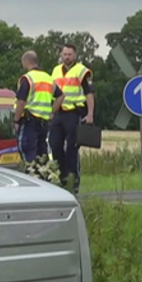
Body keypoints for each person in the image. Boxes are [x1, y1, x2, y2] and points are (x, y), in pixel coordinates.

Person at [49, 43, 95, 193]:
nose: (66, 57)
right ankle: (62, 179)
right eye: (64, 54)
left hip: (74, 113)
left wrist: (90, 114)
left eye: (69, 54)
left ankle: (73, 182)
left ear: (75, 55)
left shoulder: (81, 71)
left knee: (71, 149)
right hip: (58, 114)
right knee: (55, 146)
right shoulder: (55, 70)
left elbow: (89, 93)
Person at [14, 50, 60, 164]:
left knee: (27, 152)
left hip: (30, 121)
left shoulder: (27, 78)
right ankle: (41, 179)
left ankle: (31, 178)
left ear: (25, 62)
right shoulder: (48, 78)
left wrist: (16, 120)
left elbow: (21, 102)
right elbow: (61, 96)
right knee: (41, 156)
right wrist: (51, 111)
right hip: (44, 122)